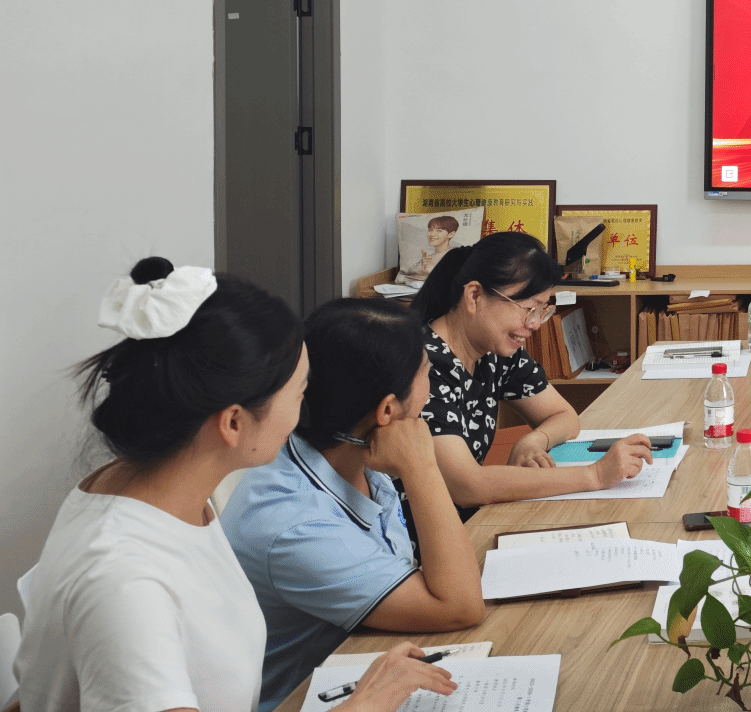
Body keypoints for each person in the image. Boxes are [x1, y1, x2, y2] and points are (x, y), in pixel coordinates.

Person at [17, 257, 454, 712]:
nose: (308, 412)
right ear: (233, 422)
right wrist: (365, 704)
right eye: (301, 393)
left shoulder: (163, 493)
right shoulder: (124, 582)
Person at [224, 299, 486, 710]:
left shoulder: (351, 451)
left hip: (362, 665)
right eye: (425, 371)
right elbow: (460, 607)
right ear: (387, 410)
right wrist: (421, 466)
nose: (432, 382)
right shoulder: (295, 524)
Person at [412, 231, 650, 512]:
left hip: (468, 517)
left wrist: (534, 440)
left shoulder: (494, 352)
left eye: (541, 311)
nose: (535, 324)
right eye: (528, 308)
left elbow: (564, 416)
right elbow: (467, 485)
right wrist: (595, 475)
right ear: (474, 296)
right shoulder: (421, 366)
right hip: (416, 531)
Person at [400, 215, 459, 284]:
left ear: (451, 234)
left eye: (439, 231)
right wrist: (422, 266)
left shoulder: (455, 256)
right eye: (430, 230)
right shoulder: (427, 258)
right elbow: (407, 275)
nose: (432, 234)